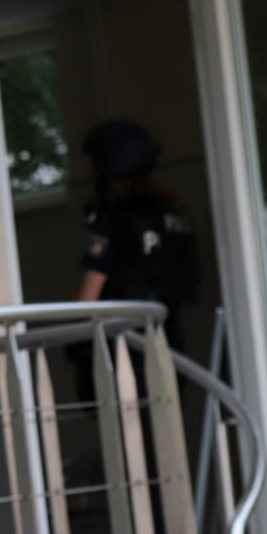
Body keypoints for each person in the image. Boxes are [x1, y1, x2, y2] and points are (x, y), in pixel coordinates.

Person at [75, 119, 200, 357]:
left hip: (126, 347)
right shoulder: (173, 211)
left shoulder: (117, 220)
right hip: (170, 341)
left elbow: (86, 301)